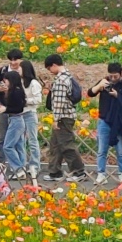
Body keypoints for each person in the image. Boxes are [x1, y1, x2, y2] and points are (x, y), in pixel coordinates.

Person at [89, 63, 122, 185]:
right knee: (101, 149)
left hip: (118, 121)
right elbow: (90, 93)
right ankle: (101, 174)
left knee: (120, 150)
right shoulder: (104, 82)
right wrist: (100, 85)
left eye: (116, 76)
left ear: (120, 74)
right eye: (111, 76)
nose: (113, 79)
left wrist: (117, 95)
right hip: (104, 119)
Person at [43, 54, 83, 182]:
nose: (49, 71)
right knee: (55, 145)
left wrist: (56, 119)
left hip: (63, 117)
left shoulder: (60, 81)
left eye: (49, 68)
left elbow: (59, 103)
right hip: (66, 116)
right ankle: (54, 172)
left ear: (54, 65)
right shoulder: (68, 77)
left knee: (66, 145)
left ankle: (78, 171)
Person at [0, 52, 31, 179]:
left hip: (16, 120)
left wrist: (5, 109)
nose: (4, 82)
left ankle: (18, 169)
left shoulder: (17, 92)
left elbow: (19, 107)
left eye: (6, 80)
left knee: (7, 146)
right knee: (19, 145)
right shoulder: (12, 91)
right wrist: (0, 92)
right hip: (15, 120)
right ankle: (22, 168)